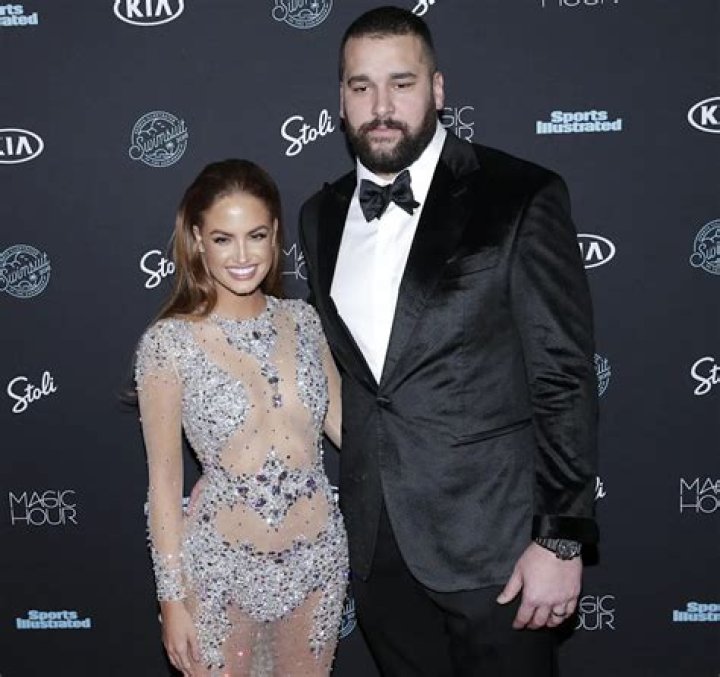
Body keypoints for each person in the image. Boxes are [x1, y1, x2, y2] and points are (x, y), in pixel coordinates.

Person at [299, 7, 598, 676]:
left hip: (498, 549)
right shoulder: (320, 216)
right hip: (377, 550)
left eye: (401, 83)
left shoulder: (519, 195)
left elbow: (563, 376)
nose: (381, 106)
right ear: (341, 100)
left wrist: (561, 539)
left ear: (437, 90)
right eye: (361, 86)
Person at [134, 159, 348, 676]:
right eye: (223, 239)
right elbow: (164, 485)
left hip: (318, 562)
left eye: (256, 235)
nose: (243, 255)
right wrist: (172, 599)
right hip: (219, 568)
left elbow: (353, 432)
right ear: (197, 240)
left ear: (275, 233)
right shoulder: (168, 344)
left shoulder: (304, 321)